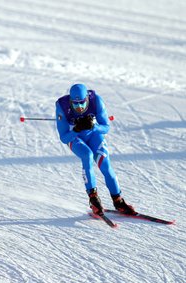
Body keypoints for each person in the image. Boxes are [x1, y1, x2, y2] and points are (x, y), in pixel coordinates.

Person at [55, 83, 136, 216]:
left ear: (87, 98)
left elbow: (106, 127)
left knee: (105, 163)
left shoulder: (96, 101)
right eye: (75, 104)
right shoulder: (62, 106)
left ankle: (118, 200)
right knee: (87, 155)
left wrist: (94, 126)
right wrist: (76, 130)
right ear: (70, 101)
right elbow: (64, 138)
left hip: (93, 135)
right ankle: (94, 199)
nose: (79, 107)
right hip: (75, 138)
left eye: (82, 103)